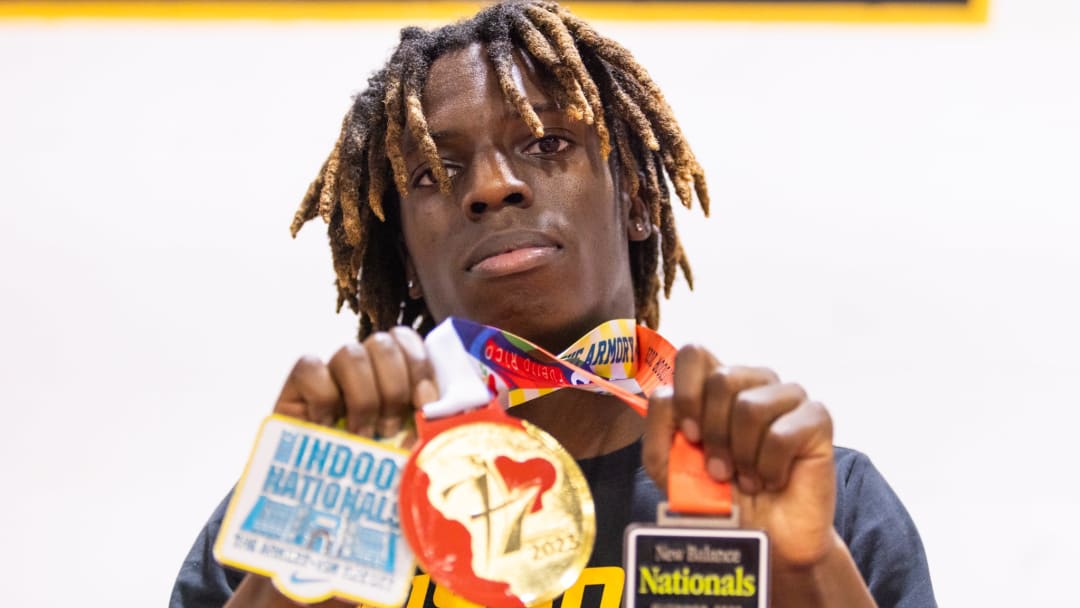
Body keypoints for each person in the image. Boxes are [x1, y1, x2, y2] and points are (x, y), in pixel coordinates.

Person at [170, 1, 935, 606]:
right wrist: (315, 565)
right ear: (405, 258)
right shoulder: (307, 496)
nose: (491, 185)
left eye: (547, 144)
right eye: (436, 172)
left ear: (635, 199)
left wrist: (801, 573)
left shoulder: (810, 498)